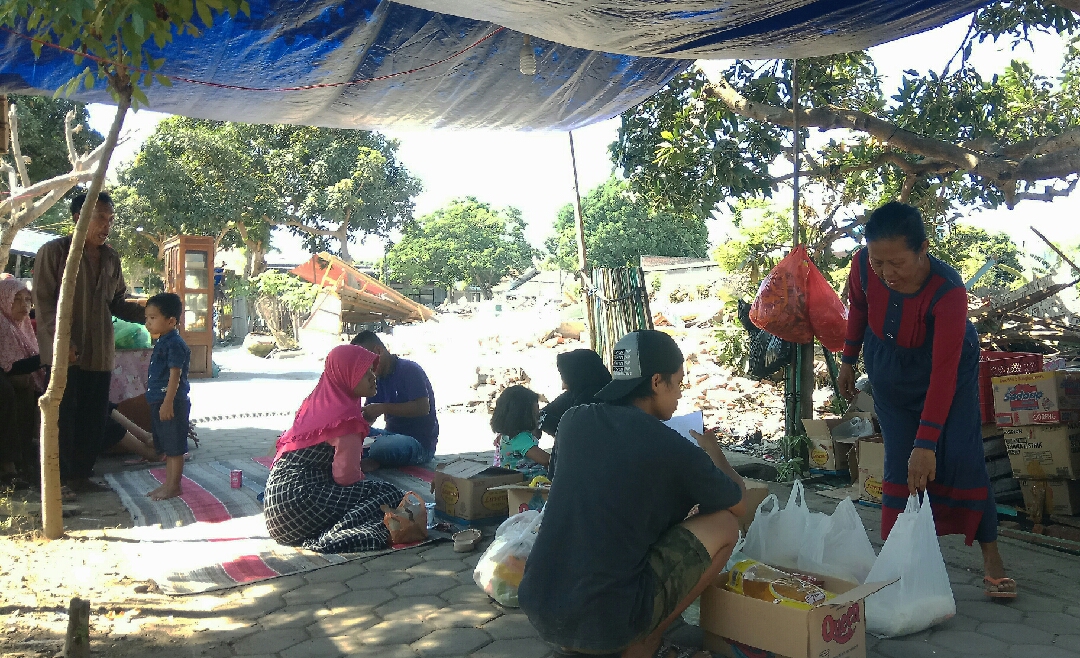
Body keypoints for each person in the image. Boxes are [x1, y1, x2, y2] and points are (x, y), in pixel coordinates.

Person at [519, 330, 746, 658]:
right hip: (607, 622)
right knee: (725, 525)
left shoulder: (573, 420)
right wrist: (714, 453)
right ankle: (644, 642)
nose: (680, 395)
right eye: (678, 383)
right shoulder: (673, 446)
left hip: (542, 602)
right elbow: (737, 502)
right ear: (657, 382)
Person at [837, 201, 1015, 599]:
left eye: (897, 263)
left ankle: (991, 556)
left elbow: (943, 373)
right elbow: (860, 308)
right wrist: (848, 358)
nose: (886, 273)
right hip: (889, 369)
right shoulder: (863, 266)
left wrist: (927, 442)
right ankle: (895, 565)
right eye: (879, 262)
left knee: (964, 460)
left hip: (945, 372)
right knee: (900, 466)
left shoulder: (948, 291)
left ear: (922, 250)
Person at [33, 191, 146, 493]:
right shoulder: (54, 253)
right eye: (100, 217)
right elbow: (43, 303)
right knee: (64, 420)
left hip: (100, 354)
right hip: (64, 356)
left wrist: (151, 313)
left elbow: (118, 302)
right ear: (77, 218)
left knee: (93, 419)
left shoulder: (111, 257)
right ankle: (57, 483)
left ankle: (81, 477)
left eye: (110, 219)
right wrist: (60, 342)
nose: (106, 225)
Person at [264, 344, 405, 553]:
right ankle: (335, 536)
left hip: (276, 508)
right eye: (363, 372)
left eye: (371, 371)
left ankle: (331, 527)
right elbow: (345, 478)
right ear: (345, 375)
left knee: (366, 493)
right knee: (389, 494)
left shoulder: (315, 404)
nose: (372, 376)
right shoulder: (346, 420)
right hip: (298, 506)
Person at [350, 331, 439, 469]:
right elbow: (369, 417)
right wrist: (360, 420)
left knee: (382, 447)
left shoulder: (409, 369)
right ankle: (374, 458)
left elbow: (423, 408)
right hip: (390, 435)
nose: (365, 370)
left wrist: (383, 408)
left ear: (378, 351)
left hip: (419, 443)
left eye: (365, 363)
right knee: (349, 437)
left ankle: (376, 459)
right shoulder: (376, 379)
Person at [143, 293, 192, 501]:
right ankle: (169, 484)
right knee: (166, 446)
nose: (148, 323)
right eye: (147, 318)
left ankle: (174, 486)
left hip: (172, 402)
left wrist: (168, 402)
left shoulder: (174, 343)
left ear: (171, 321)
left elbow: (175, 374)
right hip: (160, 401)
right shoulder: (163, 341)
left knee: (175, 447)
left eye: (153, 318)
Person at [0, 276, 48, 485]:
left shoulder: (23, 325)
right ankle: (10, 465)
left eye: (27, 299)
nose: (24, 305)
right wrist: (48, 357)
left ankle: (25, 462)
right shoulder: (3, 325)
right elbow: (10, 365)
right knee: (11, 392)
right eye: (16, 299)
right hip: (8, 381)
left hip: (18, 380)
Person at [538, 348, 610, 477]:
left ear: (578, 376)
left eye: (565, 379)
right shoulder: (576, 393)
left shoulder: (593, 400)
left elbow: (573, 432)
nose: (563, 386)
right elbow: (542, 414)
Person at [492, 385, 549, 479]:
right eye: (535, 416)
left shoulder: (507, 435)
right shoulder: (520, 438)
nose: (537, 419)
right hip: (529, 485)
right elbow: (546, 460)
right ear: (524, 416)